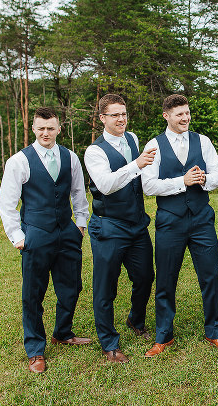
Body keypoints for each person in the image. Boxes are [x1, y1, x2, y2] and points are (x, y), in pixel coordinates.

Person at [0, 107, 91, 374]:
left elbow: (78, 193)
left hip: (67, 232)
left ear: (59, 128)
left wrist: (80, 225)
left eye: (51, 128)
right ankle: (35, 350)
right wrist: (18, 237)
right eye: (41, 128)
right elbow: (6, 204)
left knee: (72, 288)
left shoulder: (70, 157)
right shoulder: (19, 161)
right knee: (33, 295)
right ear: (34, 129)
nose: (46, 133)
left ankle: (63, 332)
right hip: (36, 234)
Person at [140, 94, 218, 356]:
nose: (185, 118)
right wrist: (182, 181)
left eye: (187, 113)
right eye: (179, 114)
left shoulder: (202, 141)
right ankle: (163, 335)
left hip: (202, 219)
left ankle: (215, 331)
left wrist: (203, 180)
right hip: (170, 221)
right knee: (166, 279)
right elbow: (148, 185)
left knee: (211, 275)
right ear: (166, 116)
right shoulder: (154, 145)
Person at [84, 94, 157, 363]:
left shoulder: (133, 139)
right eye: (115, 115)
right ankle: (109, 343)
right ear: (102, 118)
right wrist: (136, 164)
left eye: (124, 113)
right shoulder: (95, 151)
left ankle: (135, 319)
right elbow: (105, 184)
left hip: (137, 225)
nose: (121, 119)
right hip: (109, 227)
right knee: (106, 287)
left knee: (145, 277)